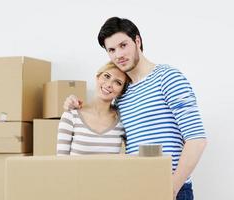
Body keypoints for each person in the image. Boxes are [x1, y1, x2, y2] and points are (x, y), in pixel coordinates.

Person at [64, 17, 207, 200]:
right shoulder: (122, 93)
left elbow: (196, 139)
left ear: (137, 41)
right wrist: (75, 105)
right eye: (112, 50)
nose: (118, 55)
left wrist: (171, 188)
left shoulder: (168, 77)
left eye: (123, 45)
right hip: (136, 187)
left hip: (171, 189)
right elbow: (107, 126)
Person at [57, 62, 130, 155]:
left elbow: (133, 155)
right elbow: (61, 162)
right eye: (107, 76)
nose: (109, 84)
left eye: (118, 82)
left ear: (121, 92)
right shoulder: (71, 116)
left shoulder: (122, 121)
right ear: (97, 78)